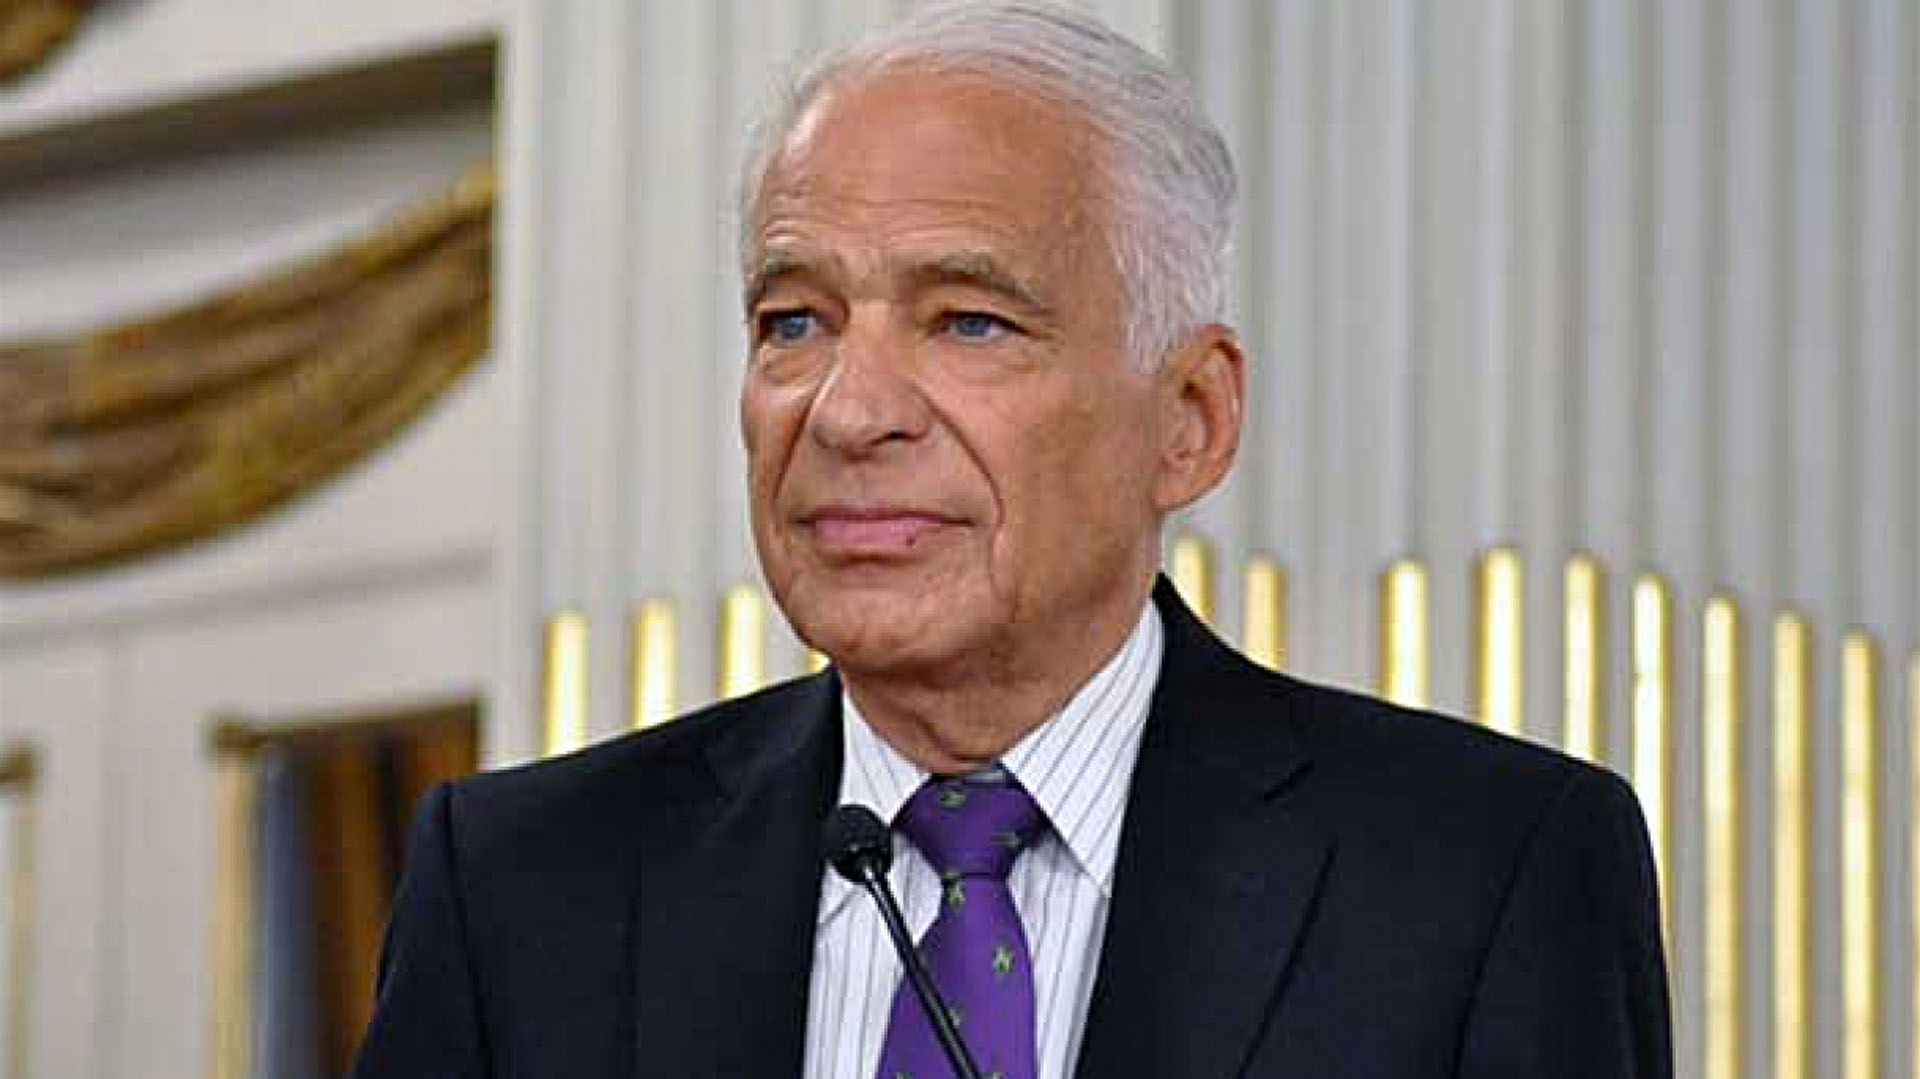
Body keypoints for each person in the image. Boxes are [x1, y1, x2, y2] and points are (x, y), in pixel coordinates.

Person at [351, 3, 1672, 1077]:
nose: (849, 412)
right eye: (794, 322)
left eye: (969, 321)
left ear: (1191, 420)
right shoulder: (522, 891)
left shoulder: (1480, 876)